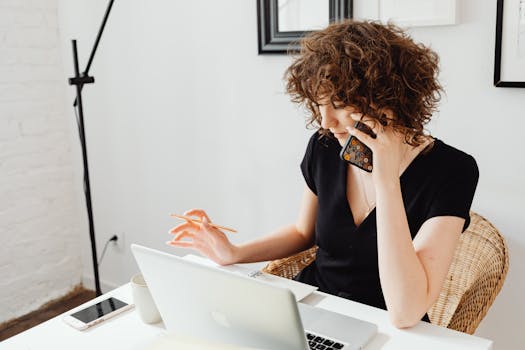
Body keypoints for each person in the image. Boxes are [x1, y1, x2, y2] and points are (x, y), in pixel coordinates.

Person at [167, 20, 479, 328]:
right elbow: (303, 233)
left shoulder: (452, 171)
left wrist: (386, 181)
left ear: (389, 98)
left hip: (384, 329)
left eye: (339, 104)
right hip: (313, 311)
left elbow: (405, 311)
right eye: (319, 104)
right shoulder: (325, 145)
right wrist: (234, 253)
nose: (325, 121)